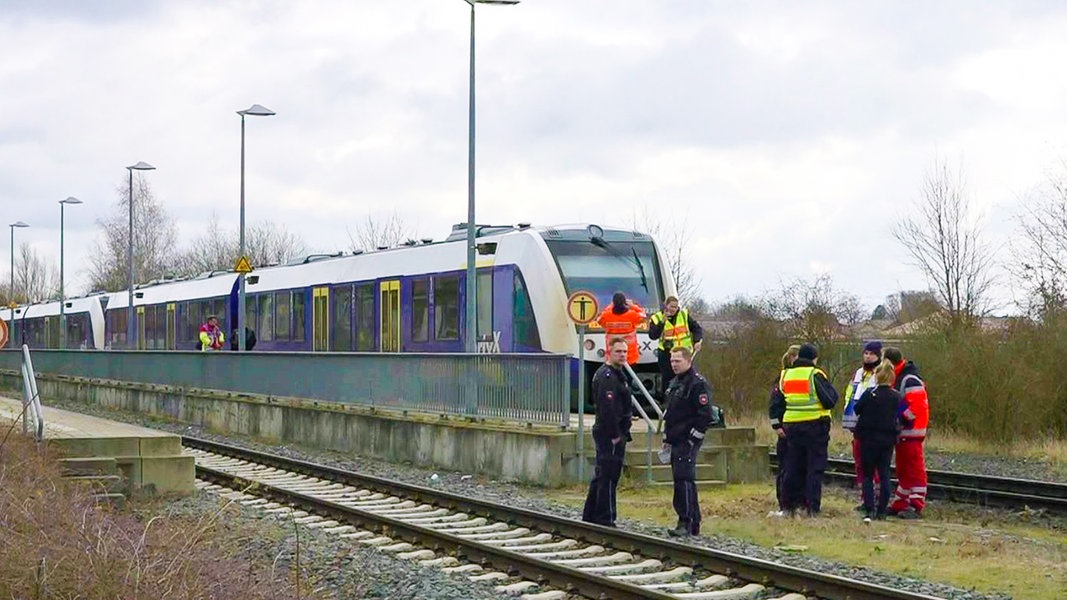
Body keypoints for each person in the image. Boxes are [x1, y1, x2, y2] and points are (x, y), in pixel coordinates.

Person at [770, 343, 838, 516]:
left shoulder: (785, 375)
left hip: (792, 426)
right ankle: (811, 507)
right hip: (815, 426)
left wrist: (777, 424)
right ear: (814, 358)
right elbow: (830, 399)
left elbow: (777, 402)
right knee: (814, 467)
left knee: (792, 466)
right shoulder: (814, 374)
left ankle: (788, 506)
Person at [661, 345, 718, 537]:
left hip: (687, 439)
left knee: (684, 480)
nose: (674, 365)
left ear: (688, 360)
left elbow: (705, 415)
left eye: (677, 361)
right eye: (672, 361)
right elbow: (670, 413)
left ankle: (686, 521)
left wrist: (693, 438)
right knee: (681, 480)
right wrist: (667, 438)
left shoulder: (697, 384)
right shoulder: (674, 383)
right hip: (675, 438)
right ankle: (691, 521)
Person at [582, 336, 634, 527]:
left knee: (602, 475)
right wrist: (614, 435)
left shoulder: (618, 374)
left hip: (613, 431)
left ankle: (591, 514)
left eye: (625, 352)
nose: (622, 355)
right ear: (609, 351)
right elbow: (607, 409)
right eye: (618, 351)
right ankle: (606, 517)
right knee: (609, 476)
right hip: (609, 433)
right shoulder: (607, 377)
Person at [883, 347, 930, 519]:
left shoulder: (909, 379)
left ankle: (916, 504)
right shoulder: (901, 377)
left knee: (914, 467)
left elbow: (917, 406)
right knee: (903, 469)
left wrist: (900, 419)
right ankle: (901, 502)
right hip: (904, 432)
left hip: (911, 432)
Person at [853, 359, 903, 521]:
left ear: (877, 377)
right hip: (887, 440)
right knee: (884, 473)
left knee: (868, 475)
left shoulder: (870, 394)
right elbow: (905, 415)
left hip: (868, 439)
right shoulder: (897, 397)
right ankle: (882, 511)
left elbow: (857, 408)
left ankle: (869, 509)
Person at [841, 340, 883, 508]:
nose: (867, 356)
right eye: (865, 353)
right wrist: (847, 412)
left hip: (873, 424)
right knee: (859, 463)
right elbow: (850, 393)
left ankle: (876, 497)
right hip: (857, 424)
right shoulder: (859, 373)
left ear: (878, 356)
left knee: (874, 464)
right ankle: (865, 497)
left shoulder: (881, 373)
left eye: (871, 353)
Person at [649, 296, 705, 399]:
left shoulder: (683, 315)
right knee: (668, 380)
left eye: (675, 307)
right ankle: (668, 401)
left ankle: (686, 399)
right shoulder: (656, 317)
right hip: (666, 354)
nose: (673, 309)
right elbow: (653, 335)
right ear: (666, 306)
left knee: (687, 378)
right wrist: (662, 322)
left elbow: (697, 329)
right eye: (671, 307)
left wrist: (697, 341)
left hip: (684, 354)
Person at [768, 344, 801, 516]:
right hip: (786, 427)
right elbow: (774, 405)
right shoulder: (782, 378)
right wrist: (777, 426)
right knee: (785, 468)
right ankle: (784, 502)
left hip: (798, 427)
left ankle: (797, 503)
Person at [596, 292, 647, 367]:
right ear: (624, 303)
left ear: (613, 303)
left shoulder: (607, 316)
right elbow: (643, 315)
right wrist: (632, 305)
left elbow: (599, 319)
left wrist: (610, 306)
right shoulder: (632, 315)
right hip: (630, 357)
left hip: (612, 358)